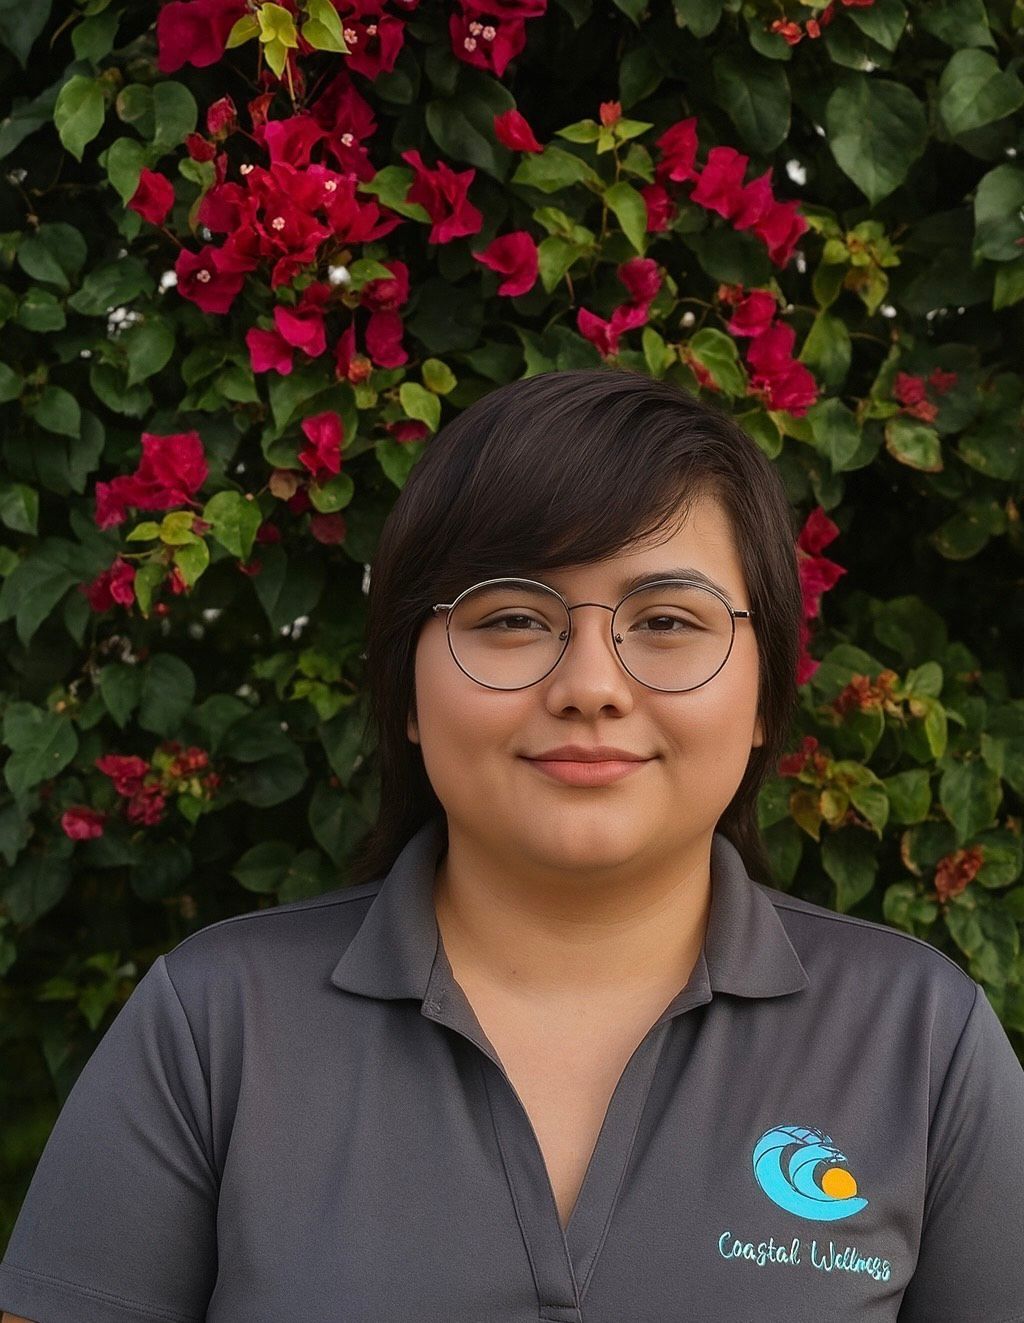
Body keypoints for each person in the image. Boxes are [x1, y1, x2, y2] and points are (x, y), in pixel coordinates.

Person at [2, 366, 1023, 1323]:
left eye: (667, 620)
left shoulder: (916, 1041)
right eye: (509, 619)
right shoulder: (217, 1024)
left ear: (766, 695)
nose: (590, 684)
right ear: (406, 688)